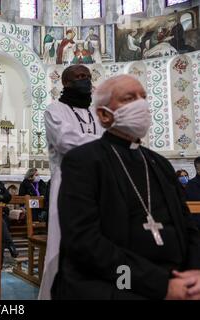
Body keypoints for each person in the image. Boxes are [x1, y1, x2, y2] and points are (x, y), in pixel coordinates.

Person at [53, 74, 200, 300]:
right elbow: (85, 243)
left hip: (175, 279)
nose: (141, 104)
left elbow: (188, 228)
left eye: (144, 97)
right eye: (129, 98)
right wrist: (161, 286)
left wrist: (194, 273)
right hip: (115, 282)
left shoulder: (159, 164)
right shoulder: (83, 161)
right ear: (103, 115)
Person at [39, 65, 103, 300]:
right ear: (66, 82)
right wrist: (103, 143)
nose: (85, 80)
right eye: (79, 77)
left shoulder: (96, 112)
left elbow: (108, 137)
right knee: (62, 244)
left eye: (87, 77)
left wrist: (99, 142)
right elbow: (66, 142)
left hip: (98, 185)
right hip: (66, 184)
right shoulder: (54, 109)